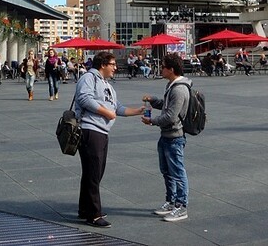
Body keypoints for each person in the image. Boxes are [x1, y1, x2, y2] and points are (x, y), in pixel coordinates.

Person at [74, 51, 144, 228]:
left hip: (102, 132)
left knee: (94, 172)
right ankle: (94, 215)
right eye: (112, 64)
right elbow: (84, 98)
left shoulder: (107, 85)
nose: (115, 68)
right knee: (93, 172)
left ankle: (85, 209)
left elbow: (117, 108)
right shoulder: (89, 78)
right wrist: (105, 112)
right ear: (103, 64)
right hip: (90, 130)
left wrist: (137, 111)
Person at [141, 53, 191, 222]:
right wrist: (154, 101)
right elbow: (166, 105)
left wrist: (152, 121)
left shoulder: (179, 89)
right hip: (166, 136)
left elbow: (170, 115)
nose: (160, 69)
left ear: (171, 69)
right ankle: (170, 201)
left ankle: (181, 206)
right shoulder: (172, 85)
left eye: (163, 66)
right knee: (167, 171)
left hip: (175, 136)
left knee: (177, 171)